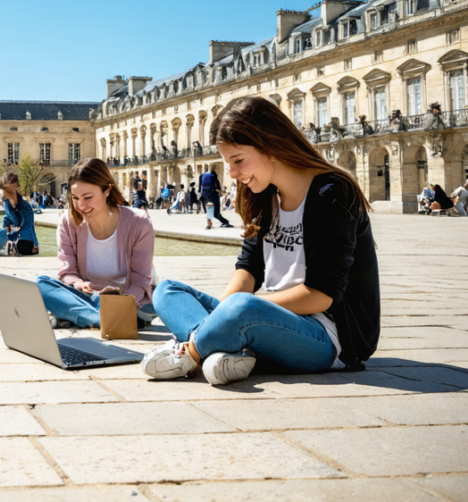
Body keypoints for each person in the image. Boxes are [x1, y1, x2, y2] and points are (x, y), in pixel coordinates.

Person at [141, 95, 379, 386]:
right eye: (228, 164)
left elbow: (321, 295)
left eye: (238, 161)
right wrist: (225, 314)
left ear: (271, 145)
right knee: (167, 289)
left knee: (242, 308)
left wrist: (237, 312)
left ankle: (190, 352)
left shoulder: (331, 193)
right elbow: (249, 268)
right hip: (269, 319)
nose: (233, 175)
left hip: (327, 339)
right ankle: (225, 347)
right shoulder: (266, 194)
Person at [37, 158, 156, 329]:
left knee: (157, 299)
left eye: (87, 197)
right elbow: (67, 272)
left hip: (131, 299)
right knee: (40, 284)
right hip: (87, 297)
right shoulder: (68, 222)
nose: (80, 205)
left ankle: (83, 316)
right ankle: (104, 319)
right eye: (75, 198)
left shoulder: (139, 222)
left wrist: (118, 304)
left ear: (107, 190)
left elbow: (140, 282)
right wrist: (78, 283)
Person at [0, 170, 39, 255]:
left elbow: (27, 226)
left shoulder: (24, 206)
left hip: (26, 241)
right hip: (17, 238)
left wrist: (35, 244)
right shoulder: (7, 202)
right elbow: (7, 219)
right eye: (5, 190)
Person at [200, 165, 233, 229]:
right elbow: (218, 186)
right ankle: (224, 222)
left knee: (209, 211)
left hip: (205, 196)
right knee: (216, 214)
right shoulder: (213, 176)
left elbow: (199, 188)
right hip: (213, 195)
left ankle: (209, 224)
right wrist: (220, 191)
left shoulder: (202, 176)